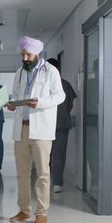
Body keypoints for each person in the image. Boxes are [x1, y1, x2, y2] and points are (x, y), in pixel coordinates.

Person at [7, 36, 65, 223]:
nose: (24, 58)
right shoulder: (19, 72)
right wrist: (13, 103)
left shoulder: (50, 71)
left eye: (28, 54)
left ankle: (42, 212)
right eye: (22, 54)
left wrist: (39, 103)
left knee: (42, 173)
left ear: (37, 54)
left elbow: (60, 95)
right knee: (22, 173)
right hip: (22, 129)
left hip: (41, 130)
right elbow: (16, 94)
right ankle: (24, 211)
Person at [46, 58, 77, 193]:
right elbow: (70, 104)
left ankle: (50, 181)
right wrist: (63, 113)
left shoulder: (44, 85)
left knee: (46, 154)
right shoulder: (64, 84)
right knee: (57, 154)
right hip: (58, 123)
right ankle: (56, 182)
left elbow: (69, 104)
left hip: (52, 125)